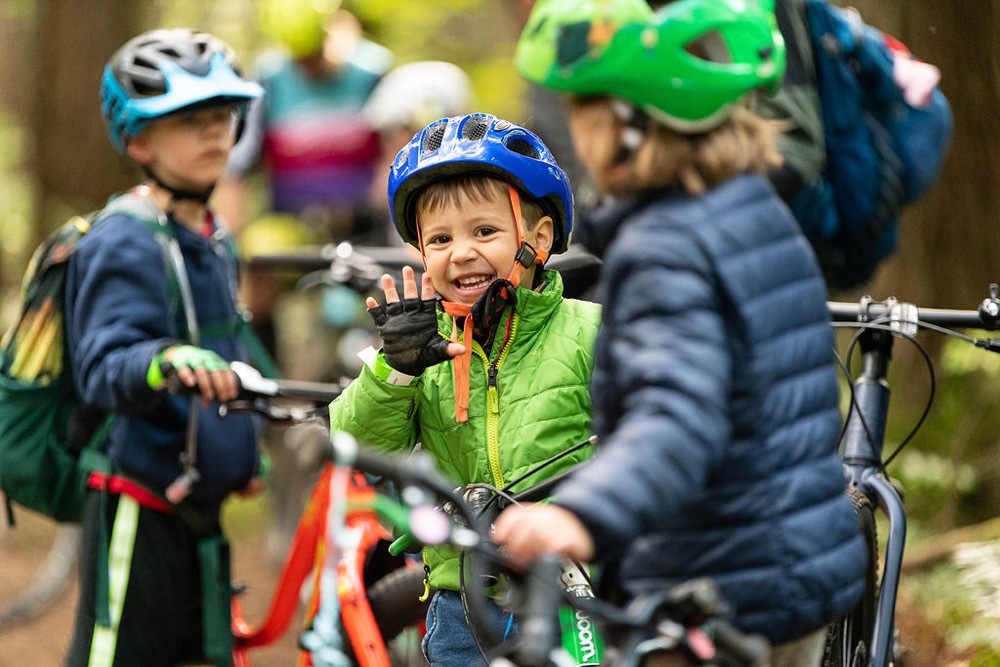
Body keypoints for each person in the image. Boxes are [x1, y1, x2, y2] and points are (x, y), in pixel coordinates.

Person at [492, 1, 868, 665]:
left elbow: (677, 413)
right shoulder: (755, 208)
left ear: (629, 126)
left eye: (584, 114)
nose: (577, 138)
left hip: (716, 580)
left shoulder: (664, 246)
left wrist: (581, 512)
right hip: (799, 566)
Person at [328, 113, 602, 666]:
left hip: (573, 593)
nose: (461, 253)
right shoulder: (424, 350)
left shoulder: (588, 330)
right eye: (440, 239)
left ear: (539, 238)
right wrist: (395, 368)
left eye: (485, 231)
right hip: (460, 601)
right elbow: (354, 443)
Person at [64, 28, 264, 666]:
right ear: (139, 139)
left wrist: (246, 447)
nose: (215, 132)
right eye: (190, 119)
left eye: (223, 116)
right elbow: (101, 365)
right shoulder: (125, 239)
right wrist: (165, 359)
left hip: (197, 509)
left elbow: (230, 344)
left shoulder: (211, 234)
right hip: (137, 503)